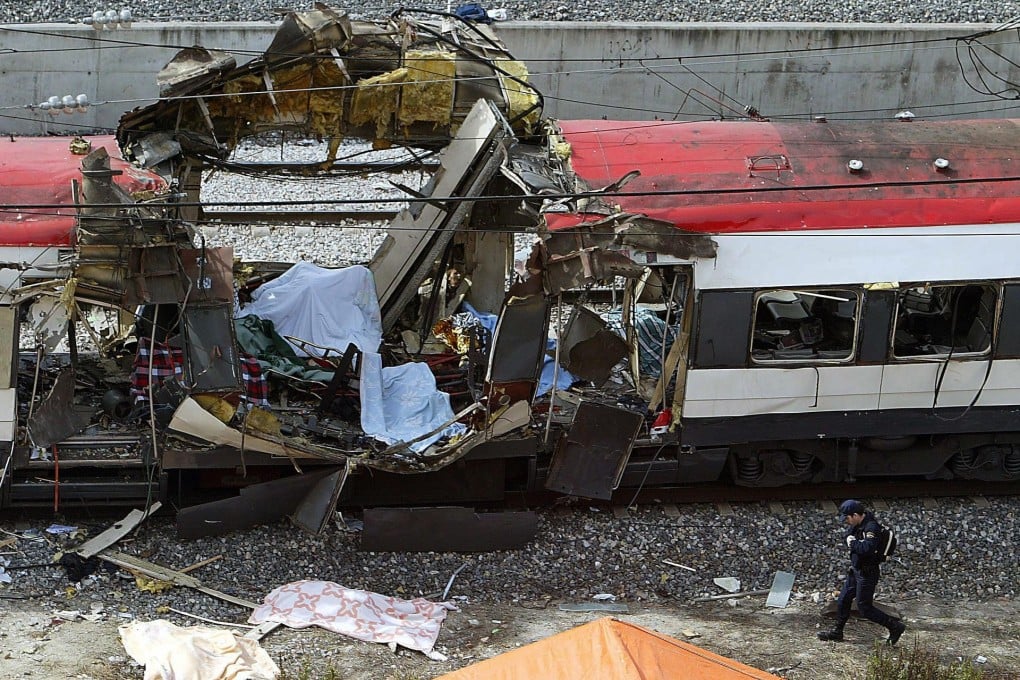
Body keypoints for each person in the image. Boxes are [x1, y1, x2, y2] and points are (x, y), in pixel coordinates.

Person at [817, 499, 906, 645]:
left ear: (856, 515)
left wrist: (853, 543)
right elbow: (849, 535)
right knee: (843, 600)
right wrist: (852, 541)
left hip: (867, 573)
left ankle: (895, 627)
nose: (846, 521)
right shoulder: (858, 524)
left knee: (865, 608)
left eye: (847, 518)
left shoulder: (872, 528)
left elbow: (867, 549)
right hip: (856, 570)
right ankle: (837, 632)